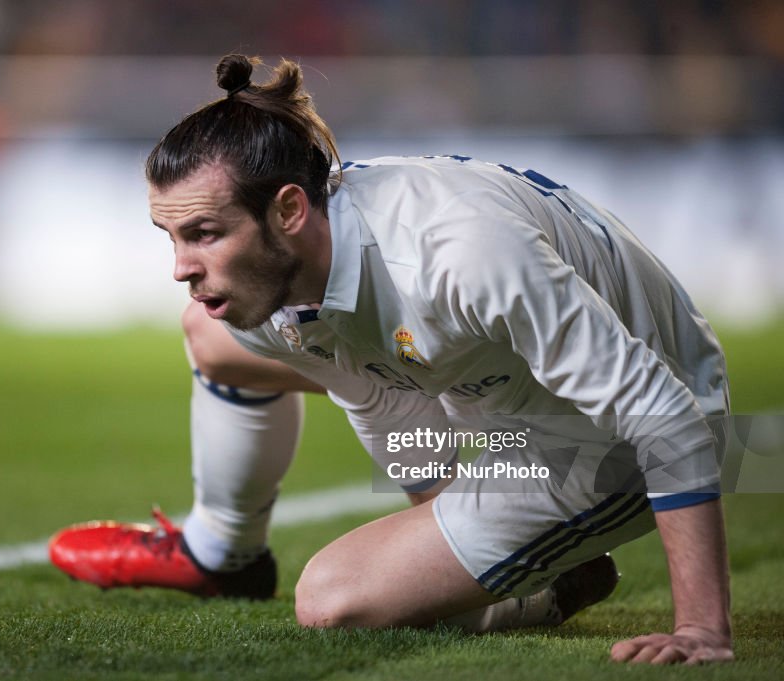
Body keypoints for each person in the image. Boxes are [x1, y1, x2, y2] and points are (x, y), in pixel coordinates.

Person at [49, 54, 733, 664]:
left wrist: (701, 626)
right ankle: (221, 550)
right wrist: (439, 534)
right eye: (170, 237)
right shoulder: (294, 263)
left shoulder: (456, 257)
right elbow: (375, 390)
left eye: (203, 234)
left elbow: (664, 411)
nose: (180, 268)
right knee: (210, 333)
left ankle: (552, 582)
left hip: (615, 433)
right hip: (501, 392)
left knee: (331, 598)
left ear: (289, 210)